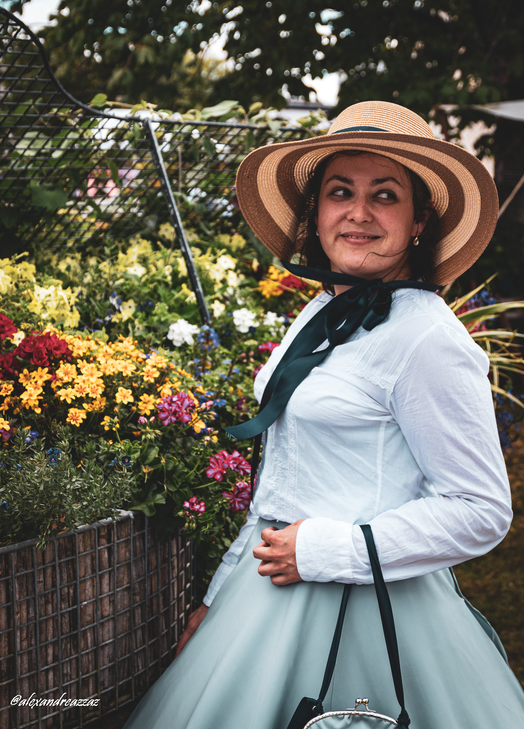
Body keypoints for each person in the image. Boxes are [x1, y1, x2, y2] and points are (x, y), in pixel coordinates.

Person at [124, 101, 524, 729]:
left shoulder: (427, 339)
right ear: (316, 212)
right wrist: (220, 597)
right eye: (340, 192)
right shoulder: (320, 313)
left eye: (384, 195)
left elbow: (480, 510)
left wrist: (330, 550)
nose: (358, 213)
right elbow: (281, 476)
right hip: (267, 597)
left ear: (419, 219)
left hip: (373, 606)